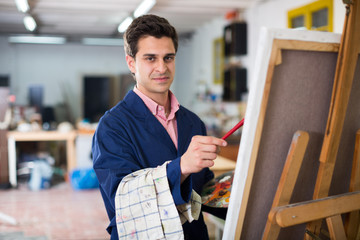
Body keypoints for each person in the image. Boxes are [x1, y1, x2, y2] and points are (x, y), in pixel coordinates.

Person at [92, 14, 227, 240]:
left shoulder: (193, 122)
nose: (162, 68)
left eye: (168, 57)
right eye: (150, 58)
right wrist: (181, 167)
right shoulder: (112, 126)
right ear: (131, 63)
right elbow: (122, 200)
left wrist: (235, 188)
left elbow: (201, 188)